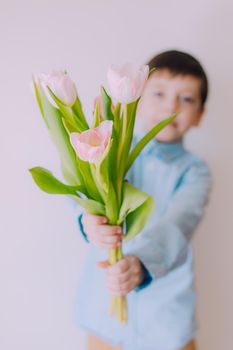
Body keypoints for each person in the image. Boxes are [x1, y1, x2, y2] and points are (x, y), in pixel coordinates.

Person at [71, 50, 212, 350]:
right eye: (158, 93)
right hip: (104, 313)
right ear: (138, 97)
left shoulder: (195, 172)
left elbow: (179, 223)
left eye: (186, 99)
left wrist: (142, 263)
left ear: (200, 114)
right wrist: (88, 221)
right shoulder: (110, 149)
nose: (170, 106)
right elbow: (84, 194)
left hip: (167, 320)